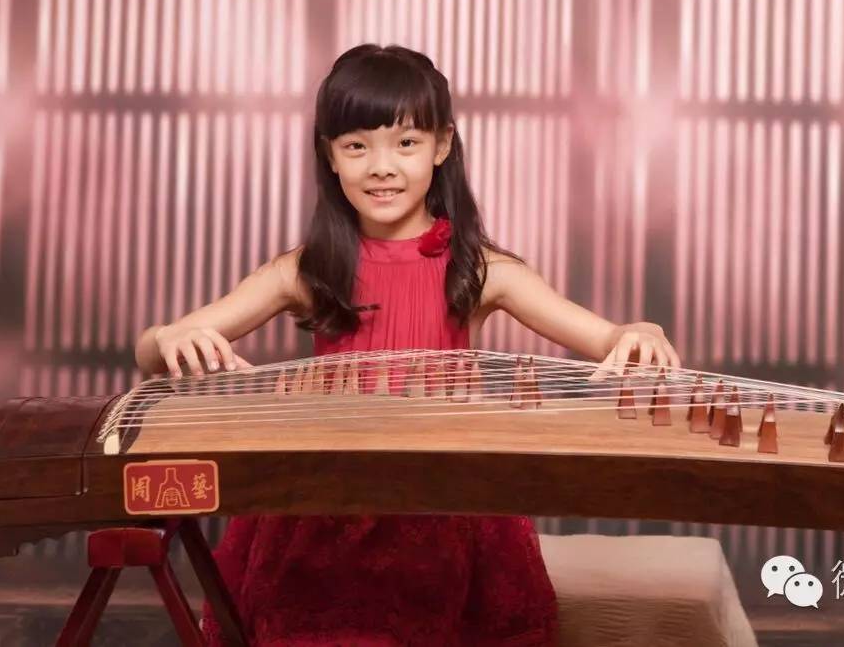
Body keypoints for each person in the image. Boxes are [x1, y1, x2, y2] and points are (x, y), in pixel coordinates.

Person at [133, 43, 681, 646]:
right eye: (356, 146)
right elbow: (154, 350)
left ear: (442, 146)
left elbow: (608, 338)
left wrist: (639, 332)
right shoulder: (306, 271)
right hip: (325, 512)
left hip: (445, 510)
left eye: (406, 143)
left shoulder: (482, 271)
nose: (381, 167)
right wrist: (169, 336)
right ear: (329, 155)